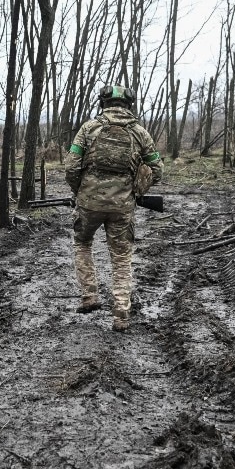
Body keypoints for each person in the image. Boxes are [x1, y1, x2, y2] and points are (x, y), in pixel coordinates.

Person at [64, 84, 164, 331]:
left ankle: (90, 295)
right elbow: (157, 170)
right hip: (123, 206)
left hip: (88, 202)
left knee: (82, 243)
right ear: (128, 106)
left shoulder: (88, 128)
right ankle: (121, 315)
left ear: (103, 103)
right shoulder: (140, 133)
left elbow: (71, 167)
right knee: (121, 257)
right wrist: (136, 190)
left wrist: (80, 192)